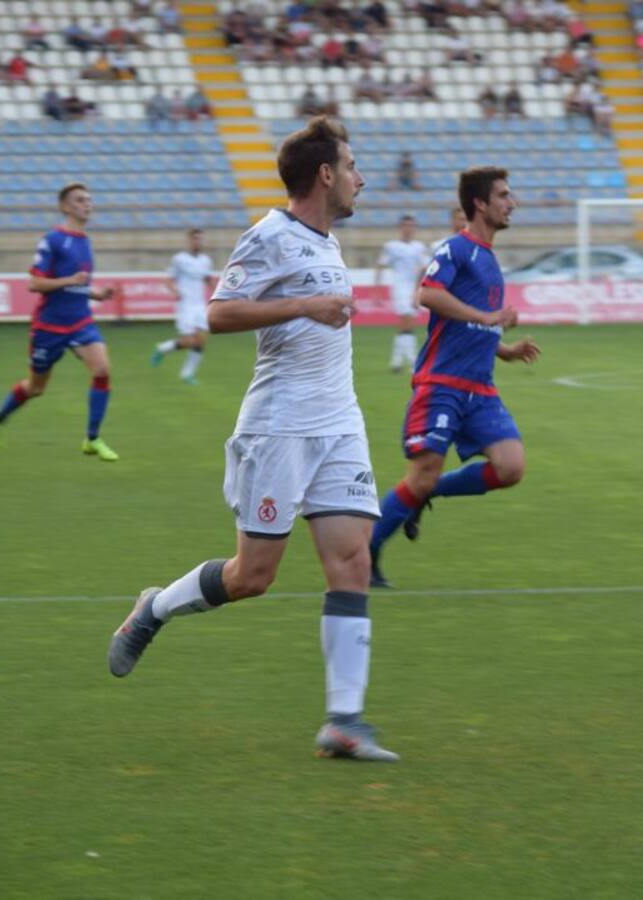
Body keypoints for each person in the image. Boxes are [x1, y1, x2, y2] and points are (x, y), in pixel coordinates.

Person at [107, 116, 399, 763]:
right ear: (325, 175)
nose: (360, 178)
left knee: (351, 562)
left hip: (339, 423)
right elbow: (219, 314)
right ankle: (154, 608)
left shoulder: (326, 241)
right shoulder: (270, 236)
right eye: (351, 166)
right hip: (279, 428)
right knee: (253, 576)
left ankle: (344, 722)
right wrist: (300, 307)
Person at [368, 167, 540, 588]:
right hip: (441, 385)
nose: (511, 202)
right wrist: (487, 316)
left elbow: (471, 328)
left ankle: (427, 495)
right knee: (421, 474)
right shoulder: (457, 249)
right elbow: (426, 294)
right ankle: (366, 555)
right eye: (503, 195)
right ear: (480, 203)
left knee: (510, 467)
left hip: (480, 389)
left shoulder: (490, 261)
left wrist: (504, 350)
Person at [0, 183, 119, 461]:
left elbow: (77, 287)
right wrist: (70, 280)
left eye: (90, 200)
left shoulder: (85, 241)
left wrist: (96, 293)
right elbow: (34, 283)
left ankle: (92, 439)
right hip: (49, 326)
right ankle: (0, 414)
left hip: (81, 321)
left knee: (102, 370)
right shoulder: (53, 240)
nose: (88, 204)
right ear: (66, 207)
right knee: (36, 388)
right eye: (81, 200)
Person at [152, 228, 215, 384]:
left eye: (200, 239)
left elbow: (208, 279)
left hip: (199, 305)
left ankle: (187, 374)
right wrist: (175, 292)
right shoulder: (179, 259)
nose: (197, 242)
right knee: (189, 340)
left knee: (201, 340)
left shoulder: (205, 260)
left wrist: (218, 293)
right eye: (195, 239)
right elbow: (168, 280)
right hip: (185, 305)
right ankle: (163, 348)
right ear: (189, 241)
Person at [376, 215, 431, 373]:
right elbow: (380, 266)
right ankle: (413, 361)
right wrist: (377, 290)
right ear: (401, 228)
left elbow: (425, 267)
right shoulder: (391, 246)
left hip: (414, 289)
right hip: (400, 288)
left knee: (406, 324)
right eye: (406, 225)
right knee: (407, 319)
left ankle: (397, 362)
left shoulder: (419, 247)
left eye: (411, 226)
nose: (409, 229)